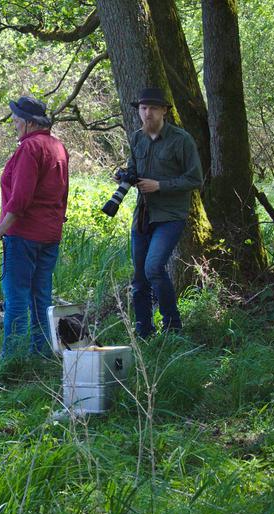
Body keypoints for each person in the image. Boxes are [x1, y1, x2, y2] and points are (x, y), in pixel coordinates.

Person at [0, 96, 69, 359]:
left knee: (16, 299)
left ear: (27, 122)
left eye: (16, 119)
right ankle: (41, 354)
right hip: (50, 235)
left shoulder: (29, 149)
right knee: (41, 298)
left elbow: (21, 197)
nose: (13, 123)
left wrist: (2, 227)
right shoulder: (58, 146)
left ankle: (11, 359)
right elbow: (62, 192)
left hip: (23, 235)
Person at [124, 88, 203, 338]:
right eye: (143, 108)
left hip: (170, 215)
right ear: (138, 111)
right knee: (139, 279)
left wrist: (160, 185)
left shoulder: (181, 140)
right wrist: (124, 177)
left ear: (164, 111)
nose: (148, 113)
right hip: (144, 216)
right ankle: (144, 331)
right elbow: (133, 168)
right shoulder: (137, 138)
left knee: (154, 268)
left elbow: (195, 178)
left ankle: (172, 327)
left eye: (153, 108)